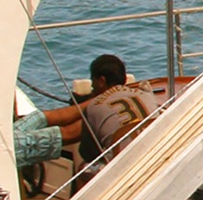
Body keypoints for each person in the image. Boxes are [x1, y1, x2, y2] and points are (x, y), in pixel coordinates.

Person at [43, 54, 161, 187]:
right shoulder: (147, 95)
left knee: (84, 169)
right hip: (154, 157)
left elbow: (88, 153)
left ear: (101, 80)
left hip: (123, 169)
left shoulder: (94, 106)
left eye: (93, 81)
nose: (92, 86)